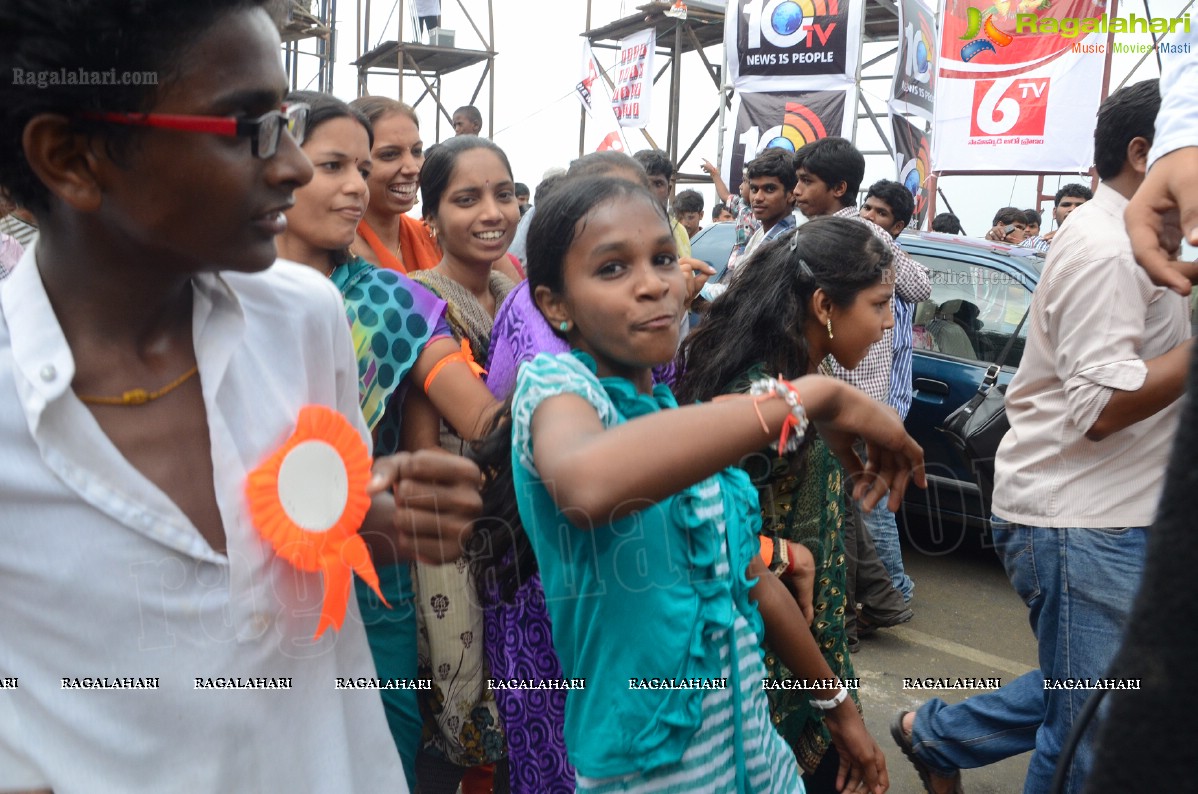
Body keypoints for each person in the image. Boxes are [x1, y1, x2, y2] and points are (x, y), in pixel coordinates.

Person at [0, 2, 480, 791]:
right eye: (246, 126)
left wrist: (376, 520)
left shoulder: (302, 317)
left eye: (285, 119)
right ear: (71, 159)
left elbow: (327, 530)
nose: (292, 165)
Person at [477, 174, 924, 793]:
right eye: (612, 269)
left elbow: (748, 579)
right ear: (556, 304)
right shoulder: (557, 391)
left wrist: (838, 708)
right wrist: (812, 395)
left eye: (663, 258)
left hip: (756, 763)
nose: (652, 283)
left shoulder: (671, 416)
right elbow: (588, 483)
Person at [893, 79, 1191, 794]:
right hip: (1083, 523)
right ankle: (935, 735)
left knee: (1105, 696)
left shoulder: (1141, 242)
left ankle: (935, 735)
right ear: (1146, 153)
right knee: (1091, 729)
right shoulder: (1107, 250)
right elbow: (1101, 406)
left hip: (1121, 515)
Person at [275, 90, 501, 790]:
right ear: (276, 169)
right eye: (332, 165)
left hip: (372, 569)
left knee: (384, 747)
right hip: (259, 571)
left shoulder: (392, 300)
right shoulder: (211, 296)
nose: (357, 185)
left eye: (361, 166)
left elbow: (483, 417)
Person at [676, 217, 902, 791]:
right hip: (763, 673)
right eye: (879, 305)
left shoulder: (800, 377)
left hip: (808, 662)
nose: (888, 323)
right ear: (825, 304)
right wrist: (782, 554)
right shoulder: (760, 400)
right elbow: (695, 533)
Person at [403, 134, 520, 794]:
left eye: (503, 195)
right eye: (467, 198)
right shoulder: (421, 300)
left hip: (523, 516)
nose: (490, 212)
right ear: (432, 219)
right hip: (456, 520)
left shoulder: (519, 296)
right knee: (466, 694)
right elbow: (426, 446)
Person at [793, 136, 929, 616]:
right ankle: (875, 598)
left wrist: (883, 267)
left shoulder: (864, 235)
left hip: (861, 391)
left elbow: (918, 285)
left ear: (839, 187)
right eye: (797, 180)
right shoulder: (807, 235)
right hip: (830, 397)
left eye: (806, 181)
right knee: (853, 497)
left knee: (870, 494)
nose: (796, 191)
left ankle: (890, 591)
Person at [350, 96, 442, 274]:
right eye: (390, 154)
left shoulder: (435, 239)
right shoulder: (331, 254)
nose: (412, 168)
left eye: (416, 151)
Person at [633, 148, 692, 258]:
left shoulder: (679, 231)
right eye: (642, 183)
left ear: (668, 190)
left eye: (658, 184)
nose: (649, 191)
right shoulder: (615, 229)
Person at [1017, 184, 1093, 252]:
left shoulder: (1098, 246)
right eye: (1066, 205)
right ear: (1054, 213)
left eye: (1080, 206)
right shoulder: (1032, 244)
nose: (1072, 209)